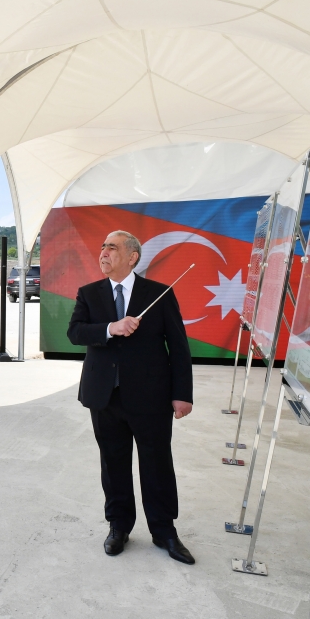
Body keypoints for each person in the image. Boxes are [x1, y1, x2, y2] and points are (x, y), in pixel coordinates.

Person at [66, 230, 195, 565]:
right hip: (104, 396)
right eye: (102, 246)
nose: (103, 252)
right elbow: (75, 332)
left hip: (151, 397)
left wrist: (182, 394)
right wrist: (111, 328)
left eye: (112, 247)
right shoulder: (89, 293)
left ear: (132, 256)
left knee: (157, 463)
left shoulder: (159, 293)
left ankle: (164, 531)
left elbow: (179, 347)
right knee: (113, 464)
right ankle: (119, 526)